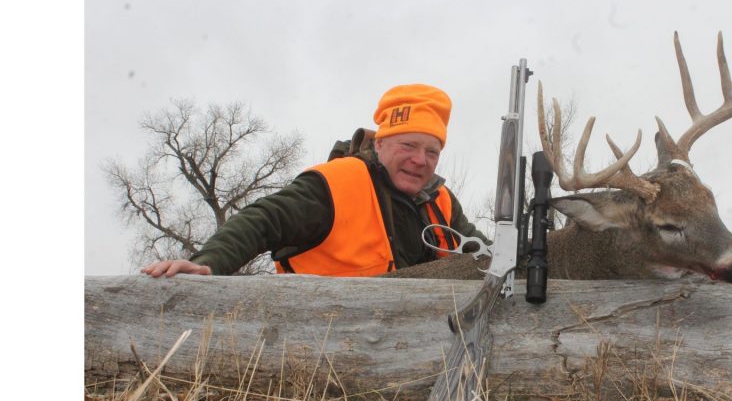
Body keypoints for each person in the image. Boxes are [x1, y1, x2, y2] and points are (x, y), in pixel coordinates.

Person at [142, 84, 486, 278]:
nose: (420, 161)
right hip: (323, 343)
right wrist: (208, 262)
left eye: (432, 151)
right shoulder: (336, 184)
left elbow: (486, 255)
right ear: (379, 144)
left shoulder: (440, 201)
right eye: (408, 146)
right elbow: (264, 219)